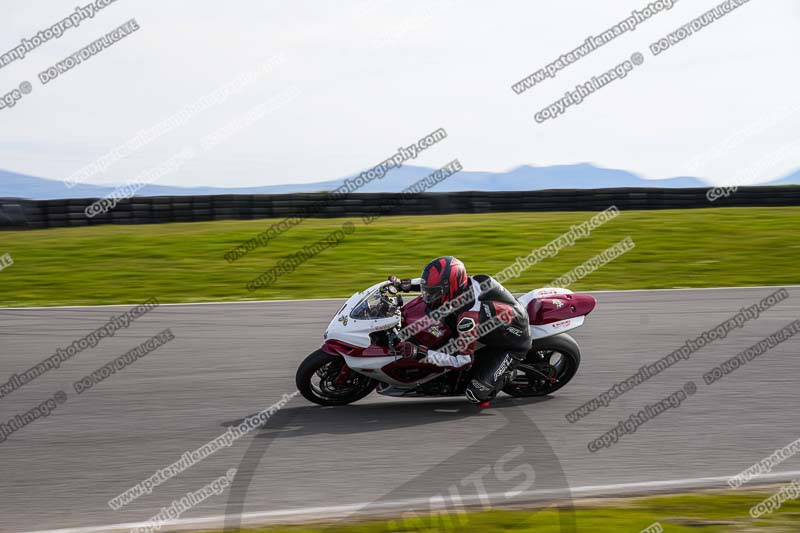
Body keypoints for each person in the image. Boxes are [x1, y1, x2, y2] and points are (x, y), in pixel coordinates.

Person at [388, 256, 532, 406]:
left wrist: (421, 354)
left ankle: (507, 376)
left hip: (513, 344)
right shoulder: (470, 283)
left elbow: (462, 361)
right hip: (498, 322)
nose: (427, 295)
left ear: (450, 289)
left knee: (477, 394)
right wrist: (405, 284)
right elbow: (435, 285)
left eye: (433, 292)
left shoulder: (467, 319)